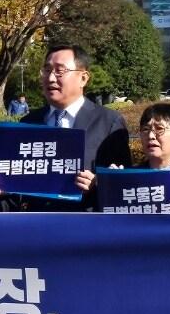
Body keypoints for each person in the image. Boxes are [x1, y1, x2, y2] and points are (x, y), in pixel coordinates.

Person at [9, 45, 131, 210]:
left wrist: (98, 183)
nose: (51, 78)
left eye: (60, 71)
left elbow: (127, 185)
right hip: (37, 226)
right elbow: (17, 185)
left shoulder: (109, 122)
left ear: (83, 78)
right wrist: (4, 186)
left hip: (87, 226)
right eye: (46, 70)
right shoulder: (28, 122)